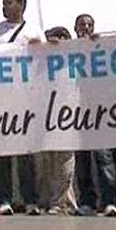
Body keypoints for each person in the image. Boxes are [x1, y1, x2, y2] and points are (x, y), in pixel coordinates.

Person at [0, 0, 42, 216]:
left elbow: (45, 59)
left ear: (21, 6)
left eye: (9, 3)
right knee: (3, 152)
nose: (4, 7)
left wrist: (43, 46)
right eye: (4, 3)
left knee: (26, 153)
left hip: (25, 98)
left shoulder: (33, 30)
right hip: (1, 97)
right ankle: (4, 198)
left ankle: (30, 200)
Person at [73, 14, 116, 217]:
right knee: (82, 159)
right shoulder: (68, 49)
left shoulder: (101, 47)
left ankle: (109, 201)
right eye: (82, 25)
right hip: (76, 113)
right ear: (75, 28)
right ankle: (87, 202)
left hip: (100, 112)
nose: (86, 27)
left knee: (104, 157)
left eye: (90, 24)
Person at [36, 26, 77, 215]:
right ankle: (49, 199)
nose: (58, 41)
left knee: (65, 161)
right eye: (54, 38)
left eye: (62, 37)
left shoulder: (75, 60)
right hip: (43, 116)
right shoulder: (39, 63)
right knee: (46, 162)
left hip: (68, 117)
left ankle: (59, 202)